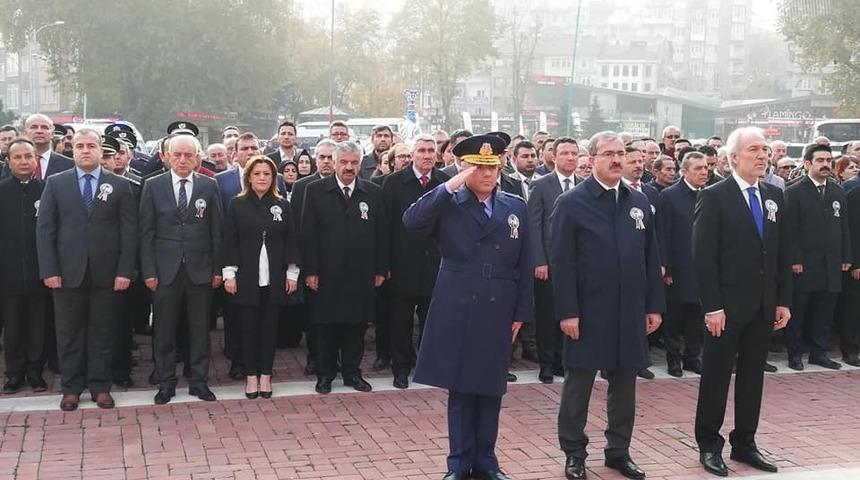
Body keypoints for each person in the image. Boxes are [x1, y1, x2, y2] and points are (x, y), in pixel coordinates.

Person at [403, 134, 532, 480]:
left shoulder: (515, 205)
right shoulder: (448, 202)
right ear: (462, 168)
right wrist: (451, 185)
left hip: (499, 303)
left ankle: (487, 461)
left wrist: (522, 312)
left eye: (493, 167)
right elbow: (411, 220)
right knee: (461, 387)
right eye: (478, 167)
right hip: (458, 300)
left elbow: (526, 262)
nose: (488, 174)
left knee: (491, 386)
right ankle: (459, 464)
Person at [550, 131, 664, 480]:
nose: (617, 159)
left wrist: (653, 306)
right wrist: (567, 312)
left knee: (625, 387)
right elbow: (562, 263)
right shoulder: (571, 203)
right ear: (593, 159)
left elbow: (650, 257)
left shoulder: (638, 202)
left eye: (621, 153)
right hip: (588, 312)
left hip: (629, 311)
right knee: (578, 386)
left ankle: (619, 451)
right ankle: (574, 453)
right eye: (609, 154)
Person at [692, 126, 792, 477]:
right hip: (726, 308)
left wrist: (782, 301)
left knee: (753, 378)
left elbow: (780, 253)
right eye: (753, 149)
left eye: (765, 149)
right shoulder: (715, 196)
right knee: (716, 378)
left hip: (763, 306)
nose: (762, 155)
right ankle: (709, 444)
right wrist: (712, 307)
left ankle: (745, 442)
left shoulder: (774, 196)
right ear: (732, 158)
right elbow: (704, 257)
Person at [36, 127, 138, 411]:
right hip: (67, 273)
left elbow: (129, 233)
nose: (84, 150)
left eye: (91, 145)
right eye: (79, 145)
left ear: (100, 149)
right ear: (72, 149)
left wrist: (124, 271)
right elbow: (45, 231)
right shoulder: (56, 183)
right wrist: (49, 270)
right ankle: (71, 387)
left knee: (103, 332)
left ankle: (100, 386)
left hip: (107, 274)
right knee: (68, 333)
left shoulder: (119, 185)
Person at [139, 134, 223, 405]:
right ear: (167, 156)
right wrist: (149, 271)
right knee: (164, 329)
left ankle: (199, 381)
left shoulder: (210, 186)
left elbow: (216, 232)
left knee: (199, 330)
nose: (183, 160)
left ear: (198, 158)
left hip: (200, 270)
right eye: (178, 155)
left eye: (189, 155)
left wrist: (217, 269)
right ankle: (165, 382)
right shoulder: (153, 186)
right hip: (165, 271)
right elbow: (146, 232)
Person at [302, 140, 387, 394]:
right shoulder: (316, 190)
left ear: (360, 164)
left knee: (356, 326)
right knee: (326, 326)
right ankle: (325, 375)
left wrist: (381, 269)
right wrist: (311, 270)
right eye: (344, 162)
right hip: (326, 273)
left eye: (354, 163)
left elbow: (381, 233)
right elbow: (308, 233)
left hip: (361, 273)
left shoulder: (372, 192)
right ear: (335, 163)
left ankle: (352, 373)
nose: (349, 167)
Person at [221, 156, 299, 399]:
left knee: (269, 330)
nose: (262, 178)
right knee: (248, 329)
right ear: (248, 178)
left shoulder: (283, 205)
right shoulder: (237, 204)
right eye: (257, 174)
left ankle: (266, 375)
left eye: (267, 173)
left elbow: (291, 240)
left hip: (274, 277)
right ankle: (250, 375)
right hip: (245, 277)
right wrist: (229, 274)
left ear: (273, 178)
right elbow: (229, 240)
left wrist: (292, 272)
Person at [380, 134, 449, 389]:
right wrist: (383, 264)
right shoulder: (394, 183)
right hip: (402, 264)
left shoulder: (445, 183)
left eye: (432, 150)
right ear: (412, 154)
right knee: (400, 322)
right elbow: (384, 227)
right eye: (422, 150)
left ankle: (430, 366)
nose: (427, 155)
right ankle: (400, 368)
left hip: (436, 264)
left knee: (433, 320)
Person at [784, 144, 850, 371]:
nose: (825, 165)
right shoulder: (793, 191)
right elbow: (789, 230)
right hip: (804, 263)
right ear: (807, 163)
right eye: (820, 160)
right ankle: (795, 354)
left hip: (831, 263)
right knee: (800, 311)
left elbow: (844, 228)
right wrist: (794, 259)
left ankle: (818, 352)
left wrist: (845, 255)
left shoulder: (837, 191)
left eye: (828, 160)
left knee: (825, 310)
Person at [527, 137, 581, 384]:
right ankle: (547, 363)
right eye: (565, 153)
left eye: (574, 153)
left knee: (571, 312)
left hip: (579, 265)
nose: (570, 158)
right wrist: (539, 260)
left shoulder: (585, 186)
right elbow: (534, 225)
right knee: (548, 316)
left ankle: (565, 360)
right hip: (549, 264)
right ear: (553, 157)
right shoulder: (542, 185)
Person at [0, 138, 49, 393]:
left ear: (35, 160)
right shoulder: (1, 190)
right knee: (13, 326)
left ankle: (35, 372)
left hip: (39, 271)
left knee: (37, 325)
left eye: (28, 156)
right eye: (17, 157)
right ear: (8, 162)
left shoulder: (47, 190)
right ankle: (14, 374)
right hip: (7, 273)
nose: (23, 161)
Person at [657, 151, 709, 377]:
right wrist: (666, 266)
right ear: (684, 171)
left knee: (696, 317)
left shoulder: (710, 194)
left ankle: (692, 357)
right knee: (675, 318)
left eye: (706, 168)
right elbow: (662, 233)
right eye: (698, 169)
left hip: (703, 268)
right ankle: (674, 359)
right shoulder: (669, 196)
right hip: (678, 268)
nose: (704, 172)